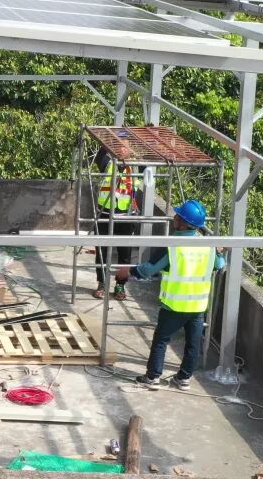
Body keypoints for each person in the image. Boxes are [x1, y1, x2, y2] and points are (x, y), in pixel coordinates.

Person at [116, 199, 225, 391]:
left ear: (182, 223)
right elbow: (220, 266)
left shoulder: (173, 246)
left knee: (161, 340)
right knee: (193, 344)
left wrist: (128, 271)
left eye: (178, 215)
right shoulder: (208, 245)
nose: (174, 217)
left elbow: (147, 271)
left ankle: (152, 377)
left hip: (174, 306)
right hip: (198, 307)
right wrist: (220, 253)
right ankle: (184, 379)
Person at [93, 151, 142, 301]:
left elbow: (148, 165)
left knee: (125, 253)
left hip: (126, 215)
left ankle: (120, 285)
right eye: (119, 145)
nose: (123, 149)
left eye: (125, 146)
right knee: (102, 251)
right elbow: (99, 154)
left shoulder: (135, 166)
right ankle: (102, 283)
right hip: (105, 213)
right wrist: (108, 141)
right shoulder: (107, 163)